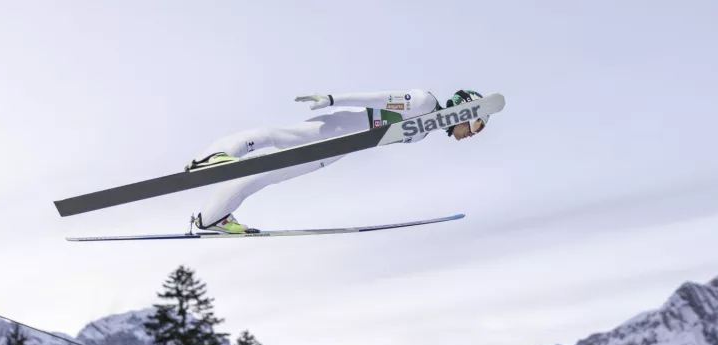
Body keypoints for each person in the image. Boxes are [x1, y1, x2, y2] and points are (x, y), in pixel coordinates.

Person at [185, 88, 490, 234]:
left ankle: (213, 218)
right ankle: (211, 157)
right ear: (466, 110)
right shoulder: (424, 102)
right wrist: (333, 100)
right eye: (477, 125)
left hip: (339, 149)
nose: (473, 134)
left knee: (268, 174)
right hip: (338, 128)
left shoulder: (422, 133)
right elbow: (379, 100)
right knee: (272, 136)